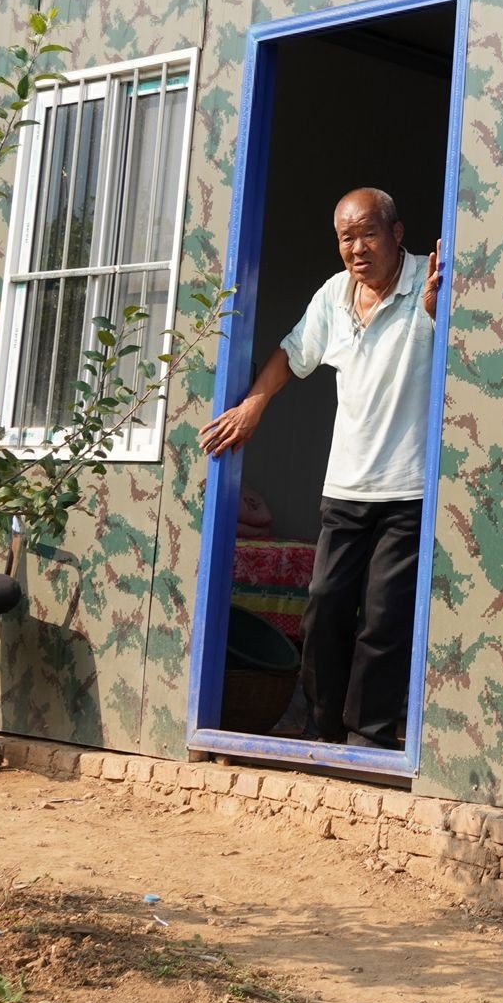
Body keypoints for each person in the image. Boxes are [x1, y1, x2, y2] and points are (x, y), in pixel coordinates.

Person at [201, 187, 442, 749]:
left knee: (383, 621)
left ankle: (370, 739)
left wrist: (441, 314)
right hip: (346, 487)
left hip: (407, 491)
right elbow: (292, 353)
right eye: (345, 238)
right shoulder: (336, 294)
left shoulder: (427, 289)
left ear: (396, 233)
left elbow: (465, 359)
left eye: (368, 234)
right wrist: (254, 405)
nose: (357, 248)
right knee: (324, 610)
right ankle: (321, 727)